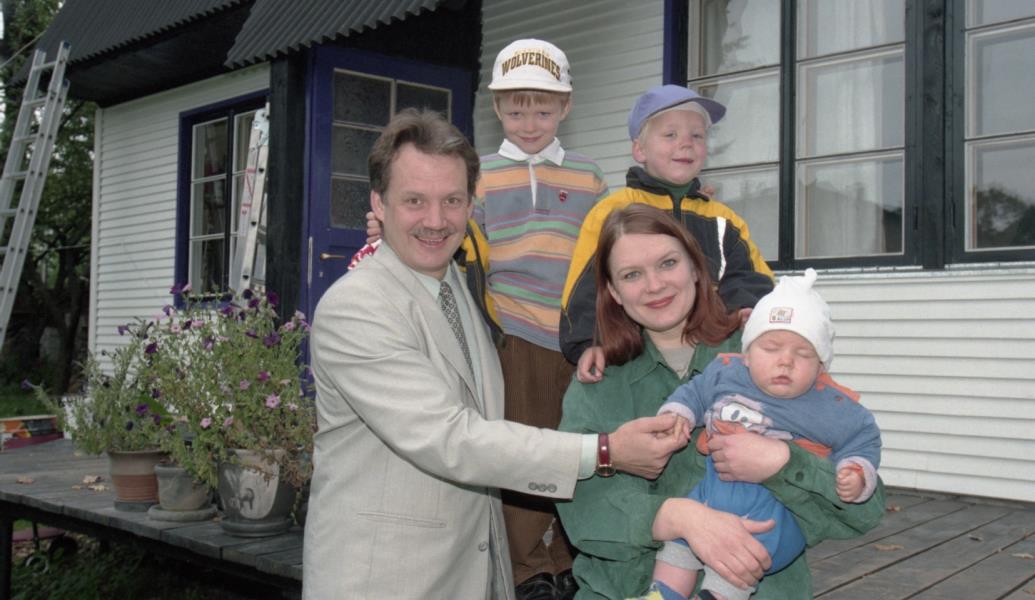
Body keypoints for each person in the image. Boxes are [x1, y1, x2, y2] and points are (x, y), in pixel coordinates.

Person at [302, 109, 690, 599]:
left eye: (452, 200)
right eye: (414, 201)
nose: (436, 221)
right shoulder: (358, 306)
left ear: (472, 203)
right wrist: (605, 451)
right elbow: (450, 438)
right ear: (379, 203)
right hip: (385, 580)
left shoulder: (459, 284)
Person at [360, 38, 611, 599]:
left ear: (566, 107)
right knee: (522, 444)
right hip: (513, 333)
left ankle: (569, 556)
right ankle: (528, 568)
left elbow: (616, 238)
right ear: (497, 109)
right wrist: (385, 227)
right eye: (516, 111)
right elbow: (449, 235)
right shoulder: (481, 178)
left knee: (573, 440)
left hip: (577, 335)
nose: (529, 123)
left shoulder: (590, 176)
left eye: (542, 110)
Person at [555, 204, 886, 600]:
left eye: (668, 263)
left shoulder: (769, 354)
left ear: (697, 269)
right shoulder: (598, 382)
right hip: (625, 590)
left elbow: (864, 511)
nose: (654, 285)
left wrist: (784, 463)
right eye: (632, 275)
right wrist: (680, 517)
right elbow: (581, 513)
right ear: (613, 291)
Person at [641, 268, 882, 600]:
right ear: (748, 353)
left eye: (803, 354)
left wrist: (856, 470)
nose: (785, 362)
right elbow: (694, 393)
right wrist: (677, 413)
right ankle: (660, 595)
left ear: (821, 367)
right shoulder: (726, 372)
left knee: (741, 560)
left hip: (771, 515)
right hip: (711, 493)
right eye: (771, 348)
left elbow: (862, 436)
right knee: (678, 546)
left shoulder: (830, 405)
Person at [560, 84, 775, 381]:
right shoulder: (612, 213)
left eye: (696, 135)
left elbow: (753, 278)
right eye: (670, 135)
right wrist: (589, 343)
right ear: (640, 149)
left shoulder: (723, 220)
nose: (685, 144)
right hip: (635, 363)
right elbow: (584, 290)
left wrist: (743, 308)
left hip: (711, 362)